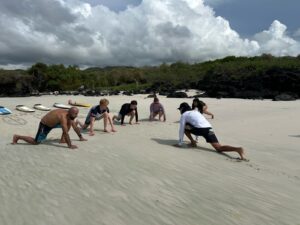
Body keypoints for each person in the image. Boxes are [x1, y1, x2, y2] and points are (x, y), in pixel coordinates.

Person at [174, 102, 247, 160]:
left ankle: (193, 143)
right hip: (209, 128)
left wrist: (180, 143)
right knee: (219, 148)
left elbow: (181, 129)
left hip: (200, 129)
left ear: (182, 109)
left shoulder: (184, 114)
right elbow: (198, 123)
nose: (180, 110)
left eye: (180, 109)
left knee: (185, 128)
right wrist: (197, 139)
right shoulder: (196, 112)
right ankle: (238, 149)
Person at [12, 107, 86, 149]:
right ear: (70, 112)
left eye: (77, 113)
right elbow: (65, 132)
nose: (76, 115)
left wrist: (80, 137)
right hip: (45, 124)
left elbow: (75, 127)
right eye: (75, 113)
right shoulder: (63, 117)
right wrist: (70, 145)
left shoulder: (69, 115)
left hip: (55, 123)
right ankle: (17, 137)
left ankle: (62, 140)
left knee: (70, 123)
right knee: (36, 142)